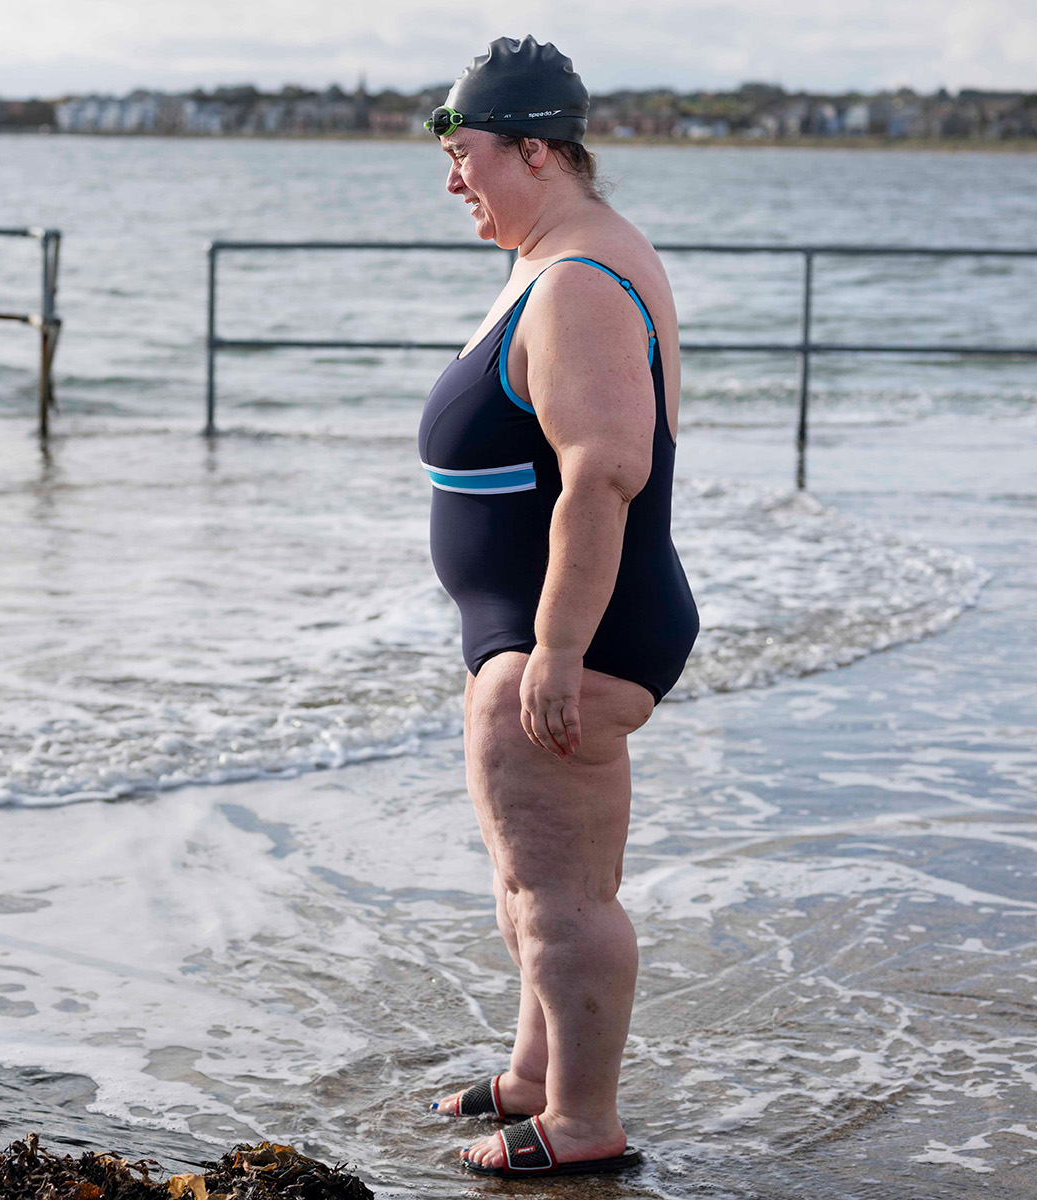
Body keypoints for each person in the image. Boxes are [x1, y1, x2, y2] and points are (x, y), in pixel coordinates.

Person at [416, 35, 700, 1180]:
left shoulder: (580, 277)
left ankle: (582, 1122)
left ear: (535, 150)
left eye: (464, 152)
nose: (452, 179)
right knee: (531, 876)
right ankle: (538, 1072)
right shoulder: (554, 253)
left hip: (575, 634)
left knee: (561, 892)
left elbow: (604, 472)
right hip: (539, 627)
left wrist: (555, 648)